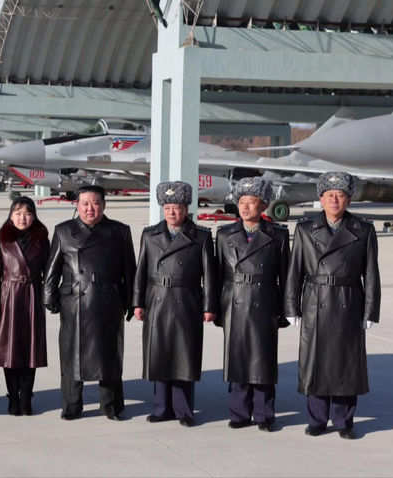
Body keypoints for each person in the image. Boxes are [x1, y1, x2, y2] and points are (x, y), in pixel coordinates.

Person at [285, 171, 381, 440]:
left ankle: (344, 421)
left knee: (345, 364)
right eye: (330, 196)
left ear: (348, 200)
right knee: (315, 362)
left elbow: (371, 274)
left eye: (340, 196)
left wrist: (370, 310)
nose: (335, 200)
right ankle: (316, 419)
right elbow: (295, 272)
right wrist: (292, 307)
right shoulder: (305, 230)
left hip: (348, 301)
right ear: (321, 199)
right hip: (315, 301)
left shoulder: (363, 230)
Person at [43, 185, 136, 421]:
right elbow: (52, 269)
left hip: (108, 300)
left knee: (110, 355)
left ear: (104, 205)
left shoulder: (119, 231)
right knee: (72, 354)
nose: (90, 208)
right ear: (77, 205)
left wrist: (133, 301)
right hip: (75, 301)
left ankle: (112, 406)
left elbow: (130, 271)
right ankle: (72, 405)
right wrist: (48, 296)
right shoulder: (64, 231)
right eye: (85, 203)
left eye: (95, 203)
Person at [132, 181, 217, 427]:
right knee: (160, 355)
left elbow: (208, 274)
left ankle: (183, 410)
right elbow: (141, 271)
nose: (172, 212)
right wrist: (137, 302)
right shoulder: (150, 235)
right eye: (167, 207)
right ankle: (161, 408)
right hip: (157, 299)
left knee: (183, 356)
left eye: (177, 207)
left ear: (186, 207)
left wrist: (209, 305)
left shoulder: (200, 236)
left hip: (186, 301)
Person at [214, 177, 290, 432]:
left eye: (252, 202)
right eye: (241, 202)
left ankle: (264, 414)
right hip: (233, 301)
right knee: (237, 357)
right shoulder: (225, 235)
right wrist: (214, 306)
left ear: (264, 205)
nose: (245, 208)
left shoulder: (278, 235)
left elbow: (285, 275)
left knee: (263, 360)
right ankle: (238, 412)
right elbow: (216, 274)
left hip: (264, 302)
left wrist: (286, 309)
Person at [0, 196, 49, 416]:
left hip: (32, 296)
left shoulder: (42, 239)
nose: (22, 217)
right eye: (18, 212)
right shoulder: (3, 238)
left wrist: (48, 299)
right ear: (11, 215)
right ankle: (13, 397)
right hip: (9, 297)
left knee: (29, 350)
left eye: (27, 213)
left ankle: (27, 397)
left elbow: (48, 274)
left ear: (34, 216)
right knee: (9, 350)